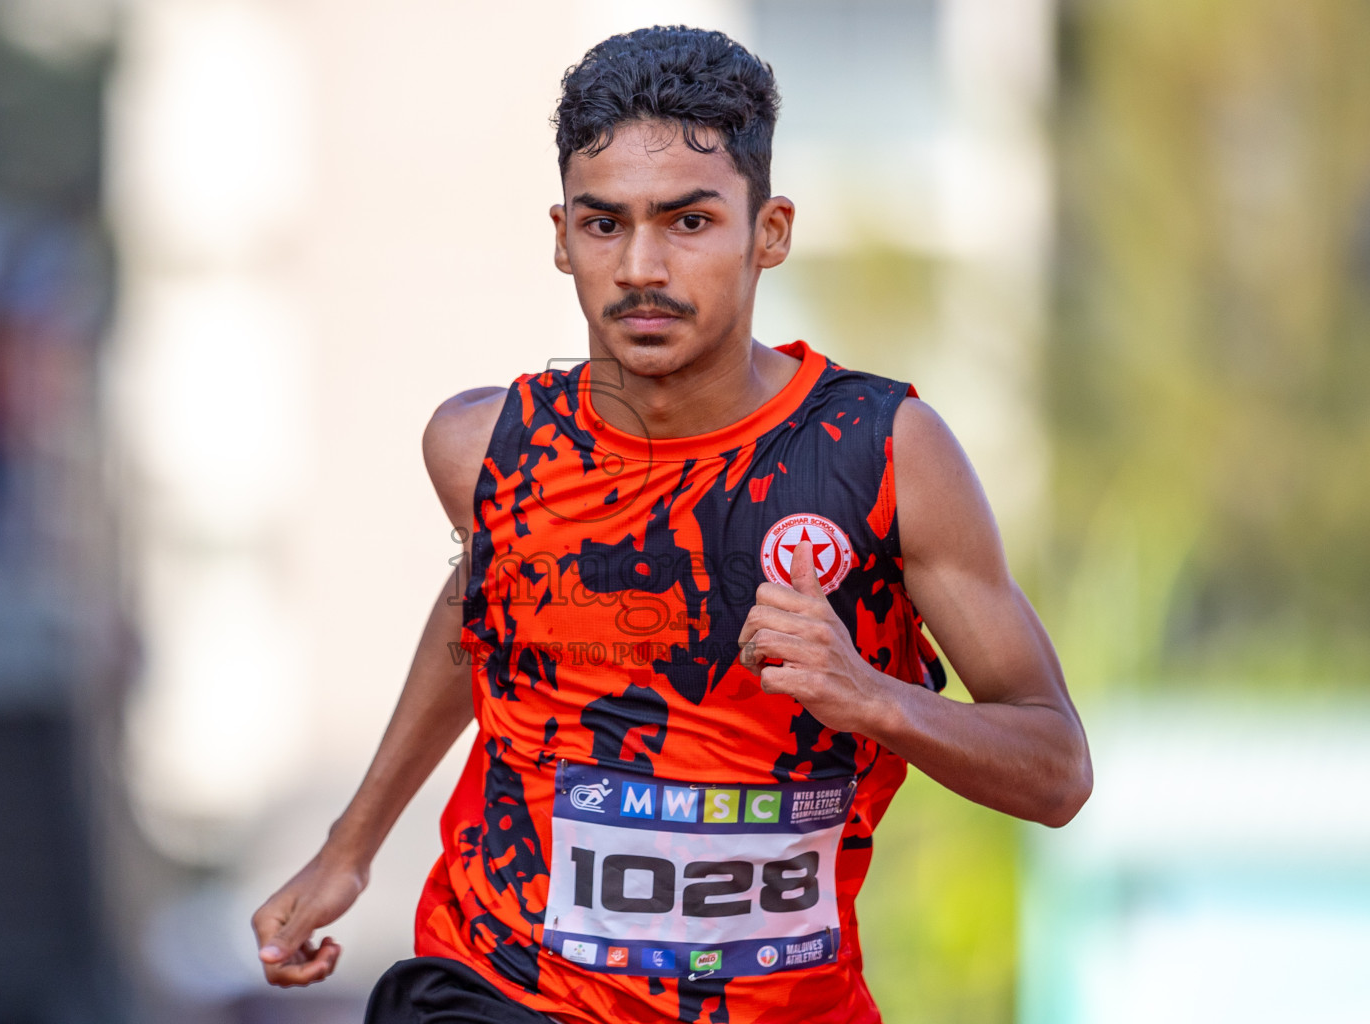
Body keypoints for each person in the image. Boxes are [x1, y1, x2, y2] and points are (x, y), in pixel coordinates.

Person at [251, 25, 1092, 1024]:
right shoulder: (487, 450)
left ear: (768, 232)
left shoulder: (886, 454)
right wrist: (351, 844)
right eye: (605, 226)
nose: (641, 266)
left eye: (688, 223)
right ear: (562, 236)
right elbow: (484, 610)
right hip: (502, 988)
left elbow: (1056, 769)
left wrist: (870, 694)